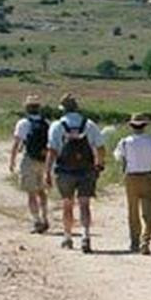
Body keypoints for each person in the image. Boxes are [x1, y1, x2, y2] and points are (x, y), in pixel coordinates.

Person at [45, 94, 105, 252]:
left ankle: (68, 237)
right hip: (86, 170)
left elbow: (52, 151)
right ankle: (86, 236)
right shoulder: (89, 124)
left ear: (63, 110)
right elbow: (100, 147)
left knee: (67, 204)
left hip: (65, 171)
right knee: (84, 204)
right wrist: (99, 165)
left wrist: (47, 172)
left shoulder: (57, 126)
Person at [113, 112, 151, 255]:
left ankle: (134, 241)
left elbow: (118, 157)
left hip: (131, 177)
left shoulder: (124, 142)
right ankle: (145, 240)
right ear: (145, 126)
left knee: (133, 210)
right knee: (149, 211)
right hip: (148, 176)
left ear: (131, 126)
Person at [9, 95, 51, 234]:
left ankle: (36, 220)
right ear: (39, 108)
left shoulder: (23, 123)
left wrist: (12, 160)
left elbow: (16, 143)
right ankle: (45, 217)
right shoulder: (47, 123)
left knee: (31, 193)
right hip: (44, 160)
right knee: (42, 191)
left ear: (27, 108)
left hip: (29, 159)